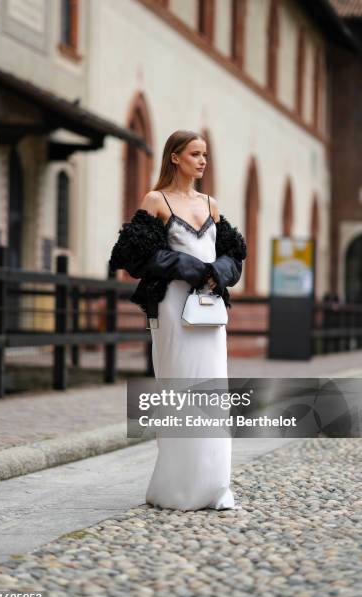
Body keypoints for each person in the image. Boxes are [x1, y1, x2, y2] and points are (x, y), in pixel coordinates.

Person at [109, 130, 246, 511]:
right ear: (175, 157)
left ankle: (216, 486)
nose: (202, 161)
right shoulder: (157, 200)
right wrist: (190, 268)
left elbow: (234, 256)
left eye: (205, 155)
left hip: (209, 305)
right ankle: (176, 487)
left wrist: (216, 271)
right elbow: (132, 253)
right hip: (172, 306)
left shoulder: (211, 203)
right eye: (195, 154)